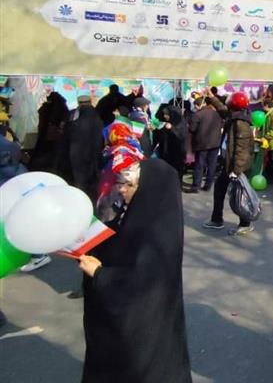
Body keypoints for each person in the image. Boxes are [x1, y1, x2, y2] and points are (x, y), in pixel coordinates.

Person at [79, 150, 191, 383]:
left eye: (129, 185)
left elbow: (139, 282)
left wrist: (99, 275)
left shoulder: (158, 233)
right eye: (121, 183)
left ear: (150, 190)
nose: (121, 189)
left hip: (141, 333)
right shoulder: (142, 214)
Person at [203, 91, 256, 235]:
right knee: (221, 189)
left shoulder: (241, 123)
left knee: (240, 194)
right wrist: (211, 97)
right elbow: (222, 110)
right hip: (229, 163)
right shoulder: (235, 117)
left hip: (235, 166)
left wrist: (236, 170)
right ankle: (217, 219)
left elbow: (242, 150)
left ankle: (245, 223)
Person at [57, 95, 104, 202]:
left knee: (79, 180)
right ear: (90, 102)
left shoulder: (73, 115)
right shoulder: (96, 115)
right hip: (91, 153)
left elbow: (65, 133)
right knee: (90, 181)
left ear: (79, 103)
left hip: (75, 153)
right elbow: (99, 138)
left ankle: (79, 199)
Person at [188, 96, 223, 192]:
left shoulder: (197, 115)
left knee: (199, 165)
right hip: (215, 143)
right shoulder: (216, 114)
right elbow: (221, 125)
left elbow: (192, 129)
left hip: (202, 143)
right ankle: (208, 185)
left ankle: (196, 186)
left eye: (195, 106)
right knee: (212, 165)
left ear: (198, 105)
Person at [153, 104, 188, 178]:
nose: (165, 116)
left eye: (167, 114)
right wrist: (155, 130)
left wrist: (172, 128)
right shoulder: (168, 122)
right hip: (166, 152)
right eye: (164, 114)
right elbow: (161, 134)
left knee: (176, 169)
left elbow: (182, 135)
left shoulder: (181, 123)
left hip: (177, 152)